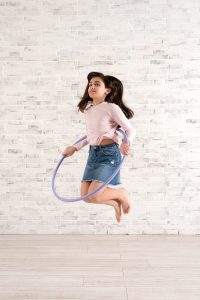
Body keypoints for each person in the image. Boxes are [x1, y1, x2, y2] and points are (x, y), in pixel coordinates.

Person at [63, 72, 136, 222]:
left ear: (107, 91)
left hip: (109, 154)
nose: (92, 86)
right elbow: (90, 136)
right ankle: (115, 204)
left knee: (94, 194)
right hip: (93, 154)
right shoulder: (88, 110)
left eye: (97, 84)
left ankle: (121, 194)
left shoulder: (111, 107)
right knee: (86, 196)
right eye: (90, 84)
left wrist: (125, 142)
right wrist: (74, 148)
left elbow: (130, 129)